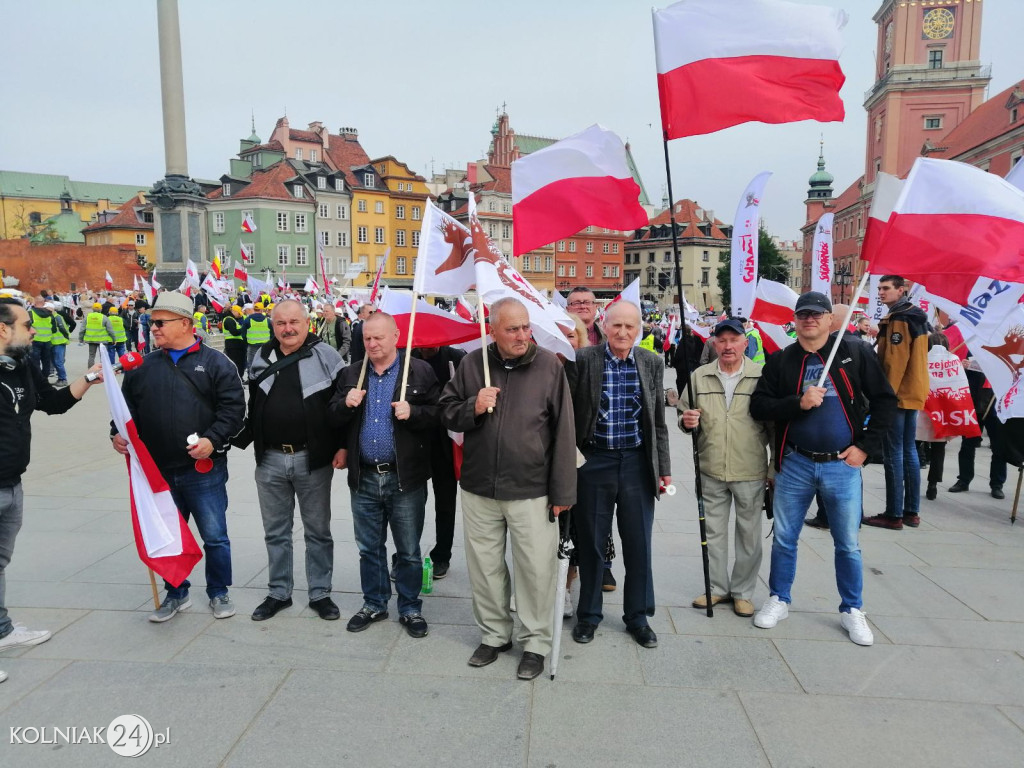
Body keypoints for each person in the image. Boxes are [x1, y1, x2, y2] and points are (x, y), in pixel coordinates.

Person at [439, 297, 576, 680]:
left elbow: (564, 432)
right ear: (493, 329)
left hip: (532, 489)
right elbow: (446, 410)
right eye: (512, 328)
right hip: (480, 486)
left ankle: (535, 642)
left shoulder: (549, 366)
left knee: (535, 570)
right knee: (484, 567)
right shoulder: (472, 364)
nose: (521, 335)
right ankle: (495, 634)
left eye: (525, 327)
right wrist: (473, 406)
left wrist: (563, 493)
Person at [750, 291, 896, 646]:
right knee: (785, 537)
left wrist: (864, 447)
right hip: (796, 462)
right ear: (795, 320)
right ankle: (779, 598)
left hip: (841, 465)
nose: (810, 319)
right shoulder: (783, 360)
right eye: (803, 314)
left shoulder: (854, 353)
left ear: (831, 320)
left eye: (817, 314)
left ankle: (852, 609)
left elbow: (885, 401)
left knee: (847, 543)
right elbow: (760, 406)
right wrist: (797, 403)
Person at [111, 291, 245, 623]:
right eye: (150, 322)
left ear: (184, 323)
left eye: (159, 322)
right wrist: (115, 433)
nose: (152, 327)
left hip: (204, 470)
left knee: (214, 535)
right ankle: (176, 592)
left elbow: (234, 410)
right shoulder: (142, 365)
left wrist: (212, 441)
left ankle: (218, 590)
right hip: (156, 472)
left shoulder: (216, 363)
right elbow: (124, 411)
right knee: (168, 536)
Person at [0, 297, 104, 679]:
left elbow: (54, 403)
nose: (35, 330)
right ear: (3, 329)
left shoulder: (23, 365)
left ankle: (2, 631)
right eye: (27, 325)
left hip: (12, 482)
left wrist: (90, 378)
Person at [567, 300, 670, 649]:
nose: (623, 333)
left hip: (637, 464)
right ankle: (589, 615)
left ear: (638, 328)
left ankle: (638, 617)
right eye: (617, 326)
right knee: (592, 543)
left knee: (639, 542)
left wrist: (664, 469)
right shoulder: (584, 360)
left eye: (630, 326)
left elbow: (657, 421)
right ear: (604, 326)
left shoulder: (651, 362)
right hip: (594, 461)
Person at [330, 312, 439, 639]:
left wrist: (414, 412)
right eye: (367, 339)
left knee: (407, 549)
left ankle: (409, 607)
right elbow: (331, 416)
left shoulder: (418, 371)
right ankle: (374, 602)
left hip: (404, 477)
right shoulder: (352, 373)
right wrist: (345, 404)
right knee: (369, 547)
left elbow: (439, 415)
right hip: (363, 477)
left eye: (379, 337)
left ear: (395, 336)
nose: (373, 344)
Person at [234, 300, 345, 622]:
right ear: (273, 325)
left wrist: (342, 447)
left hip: (313, 460)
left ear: (307, 322)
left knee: (318, 531)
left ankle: (320, 593)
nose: (288, 328)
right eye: (281, 323)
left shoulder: (326, 355)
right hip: (269, 459)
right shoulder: (262, 356)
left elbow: (341, 408)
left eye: (294, 321)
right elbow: (253, 405)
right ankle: (278, 592)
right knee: (276, 531)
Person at [679, 317, 770, 618]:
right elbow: (684, 415)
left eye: (734, 340)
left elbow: (773, 425)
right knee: (713, 532)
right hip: (711, 467)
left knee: (749, 535)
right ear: (714, 343)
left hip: (750, 468)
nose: (728, 346)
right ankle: (717, 588)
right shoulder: (699, 376)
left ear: (746, 342)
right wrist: (686, 421)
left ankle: (743, 592)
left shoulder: (761, 376)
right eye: (722, 340)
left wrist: (773, 472)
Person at [864, 276, 929, 530]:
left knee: (894, 453)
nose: (880, 292)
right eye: (879, 288)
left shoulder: (899, 317)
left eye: (886, 288)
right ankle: (911, 511)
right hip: (913, 391)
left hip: (898, 394)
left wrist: (885, 397)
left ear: (901, 290)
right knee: (909, 450)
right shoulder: (916, 316)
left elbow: (895, 360)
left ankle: (893, 514)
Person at [411, 345, 467, 579]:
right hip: (415, 441)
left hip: (445, 442)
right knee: (410, 504)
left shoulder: (456, 358)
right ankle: (407, 554)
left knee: (445, 502)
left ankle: (442, 554)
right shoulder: (407, 358)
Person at [950, 360, 1007, 499]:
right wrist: (962, 367)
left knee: (999, 448)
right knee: (967, 445)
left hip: (995, 408)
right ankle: (964, 480)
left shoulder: (1006, 357)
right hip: (973, 404)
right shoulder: (974, 350)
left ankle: (997, 484)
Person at [28, 296, 56, 378]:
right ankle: (45, 379)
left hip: (35, 340)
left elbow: (26, 327)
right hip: (47, 341)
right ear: (44, 303)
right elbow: (54, 329)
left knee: (35, 362)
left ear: (34, 303)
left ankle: (37, 380)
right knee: (46, 362)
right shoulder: (50, 314)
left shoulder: (30, 313)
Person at [243, 302, 271, 374]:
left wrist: (246, 344)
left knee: (251, 363)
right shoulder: (267, 320)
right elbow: (272, 334)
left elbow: (243, 334)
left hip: (252, 346)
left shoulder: (247, 320)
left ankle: (251, 380)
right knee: (264, 363)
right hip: (265, 346)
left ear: (254, 309)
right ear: (261, 310)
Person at [221, 306, 246, 379]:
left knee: (237, 363)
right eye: (238, 313)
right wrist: (243, 329)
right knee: (238, 363)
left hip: (234, 345)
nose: (239, 315)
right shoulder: (229, 320)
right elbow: (234, 332)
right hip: (234, 345)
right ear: (234, 311)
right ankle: (237, 379)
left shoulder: (231, 319)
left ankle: (237, 378)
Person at [49, 303, 71, 386]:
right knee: (55, 362)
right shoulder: (49, 317)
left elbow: (63, 328)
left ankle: (63, 379)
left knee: (58, 362)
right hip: (52, 342)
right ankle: (60, 379)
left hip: (59, 342)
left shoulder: (57, 317)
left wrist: (66, 337)